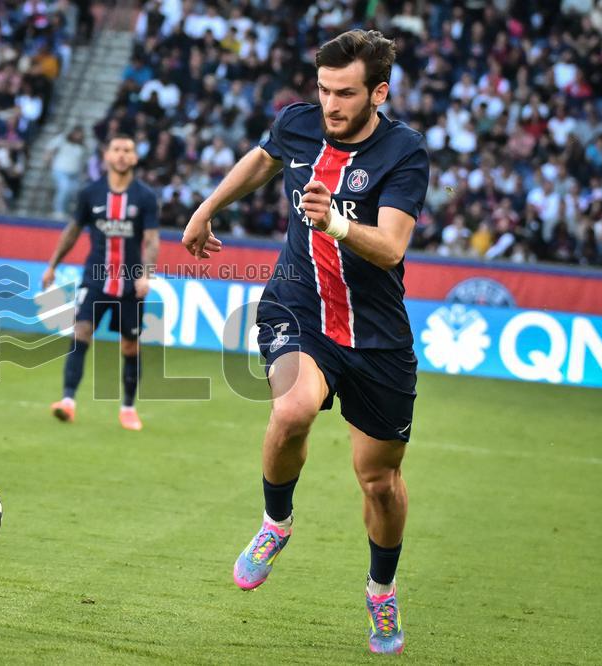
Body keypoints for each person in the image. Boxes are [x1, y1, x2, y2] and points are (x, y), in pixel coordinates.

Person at [181, 30, 429, 655]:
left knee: (379, 482)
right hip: (298, 308)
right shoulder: (297, 124)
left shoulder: (404, 151)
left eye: (345, 93)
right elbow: (262, 159)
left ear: (379, 91)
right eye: (323, 89)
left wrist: (336, 222)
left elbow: (394, 246)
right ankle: (275, 522)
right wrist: (207, 208)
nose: (331, 104)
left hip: (376, 338)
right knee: (291, 410)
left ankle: (381, 589)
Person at [42, 134, 159, 430]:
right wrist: (53, 264)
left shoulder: (145, 197)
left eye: (127, 150)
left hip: (130, 284)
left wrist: (146, 274)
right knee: (81, 331)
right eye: (117, 149)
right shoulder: (90, 193)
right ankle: (67, 402)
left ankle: (128, 408)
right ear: (107, 155)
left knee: (130, 346)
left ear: (135, 157)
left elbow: (151, 240)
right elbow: (73, 230)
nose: (121, 155)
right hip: (95, 278)